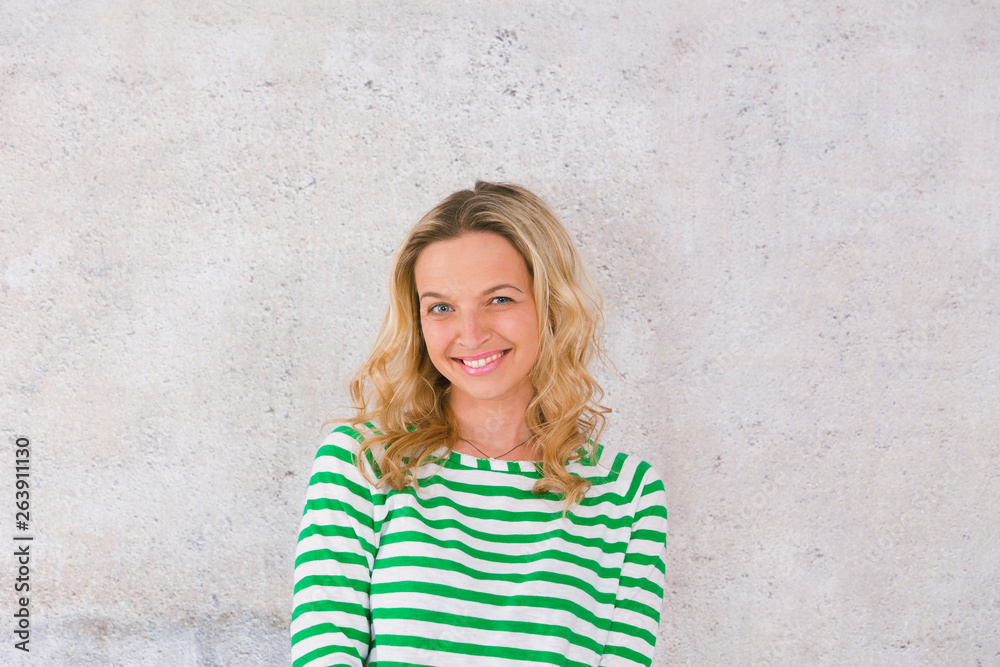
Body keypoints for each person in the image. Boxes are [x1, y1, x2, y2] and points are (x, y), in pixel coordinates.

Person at [291, 181, 668, 666]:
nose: (471, 334)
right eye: (442, 307)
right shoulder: (362, 462)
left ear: (550, 307)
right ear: (419, 321)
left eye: (500, 299)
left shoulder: (628, 495)